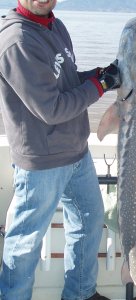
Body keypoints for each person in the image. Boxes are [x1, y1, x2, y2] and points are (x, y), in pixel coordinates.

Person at [0, 1, 121, 299]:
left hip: (76, 153)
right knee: (25, 243)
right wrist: (101, 85)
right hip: (41, 163)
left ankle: (79, 293)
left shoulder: (55, 25)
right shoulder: (18, 41)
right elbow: (52, 108)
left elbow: (65, 82)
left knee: (90, 222)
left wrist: (99, 74)